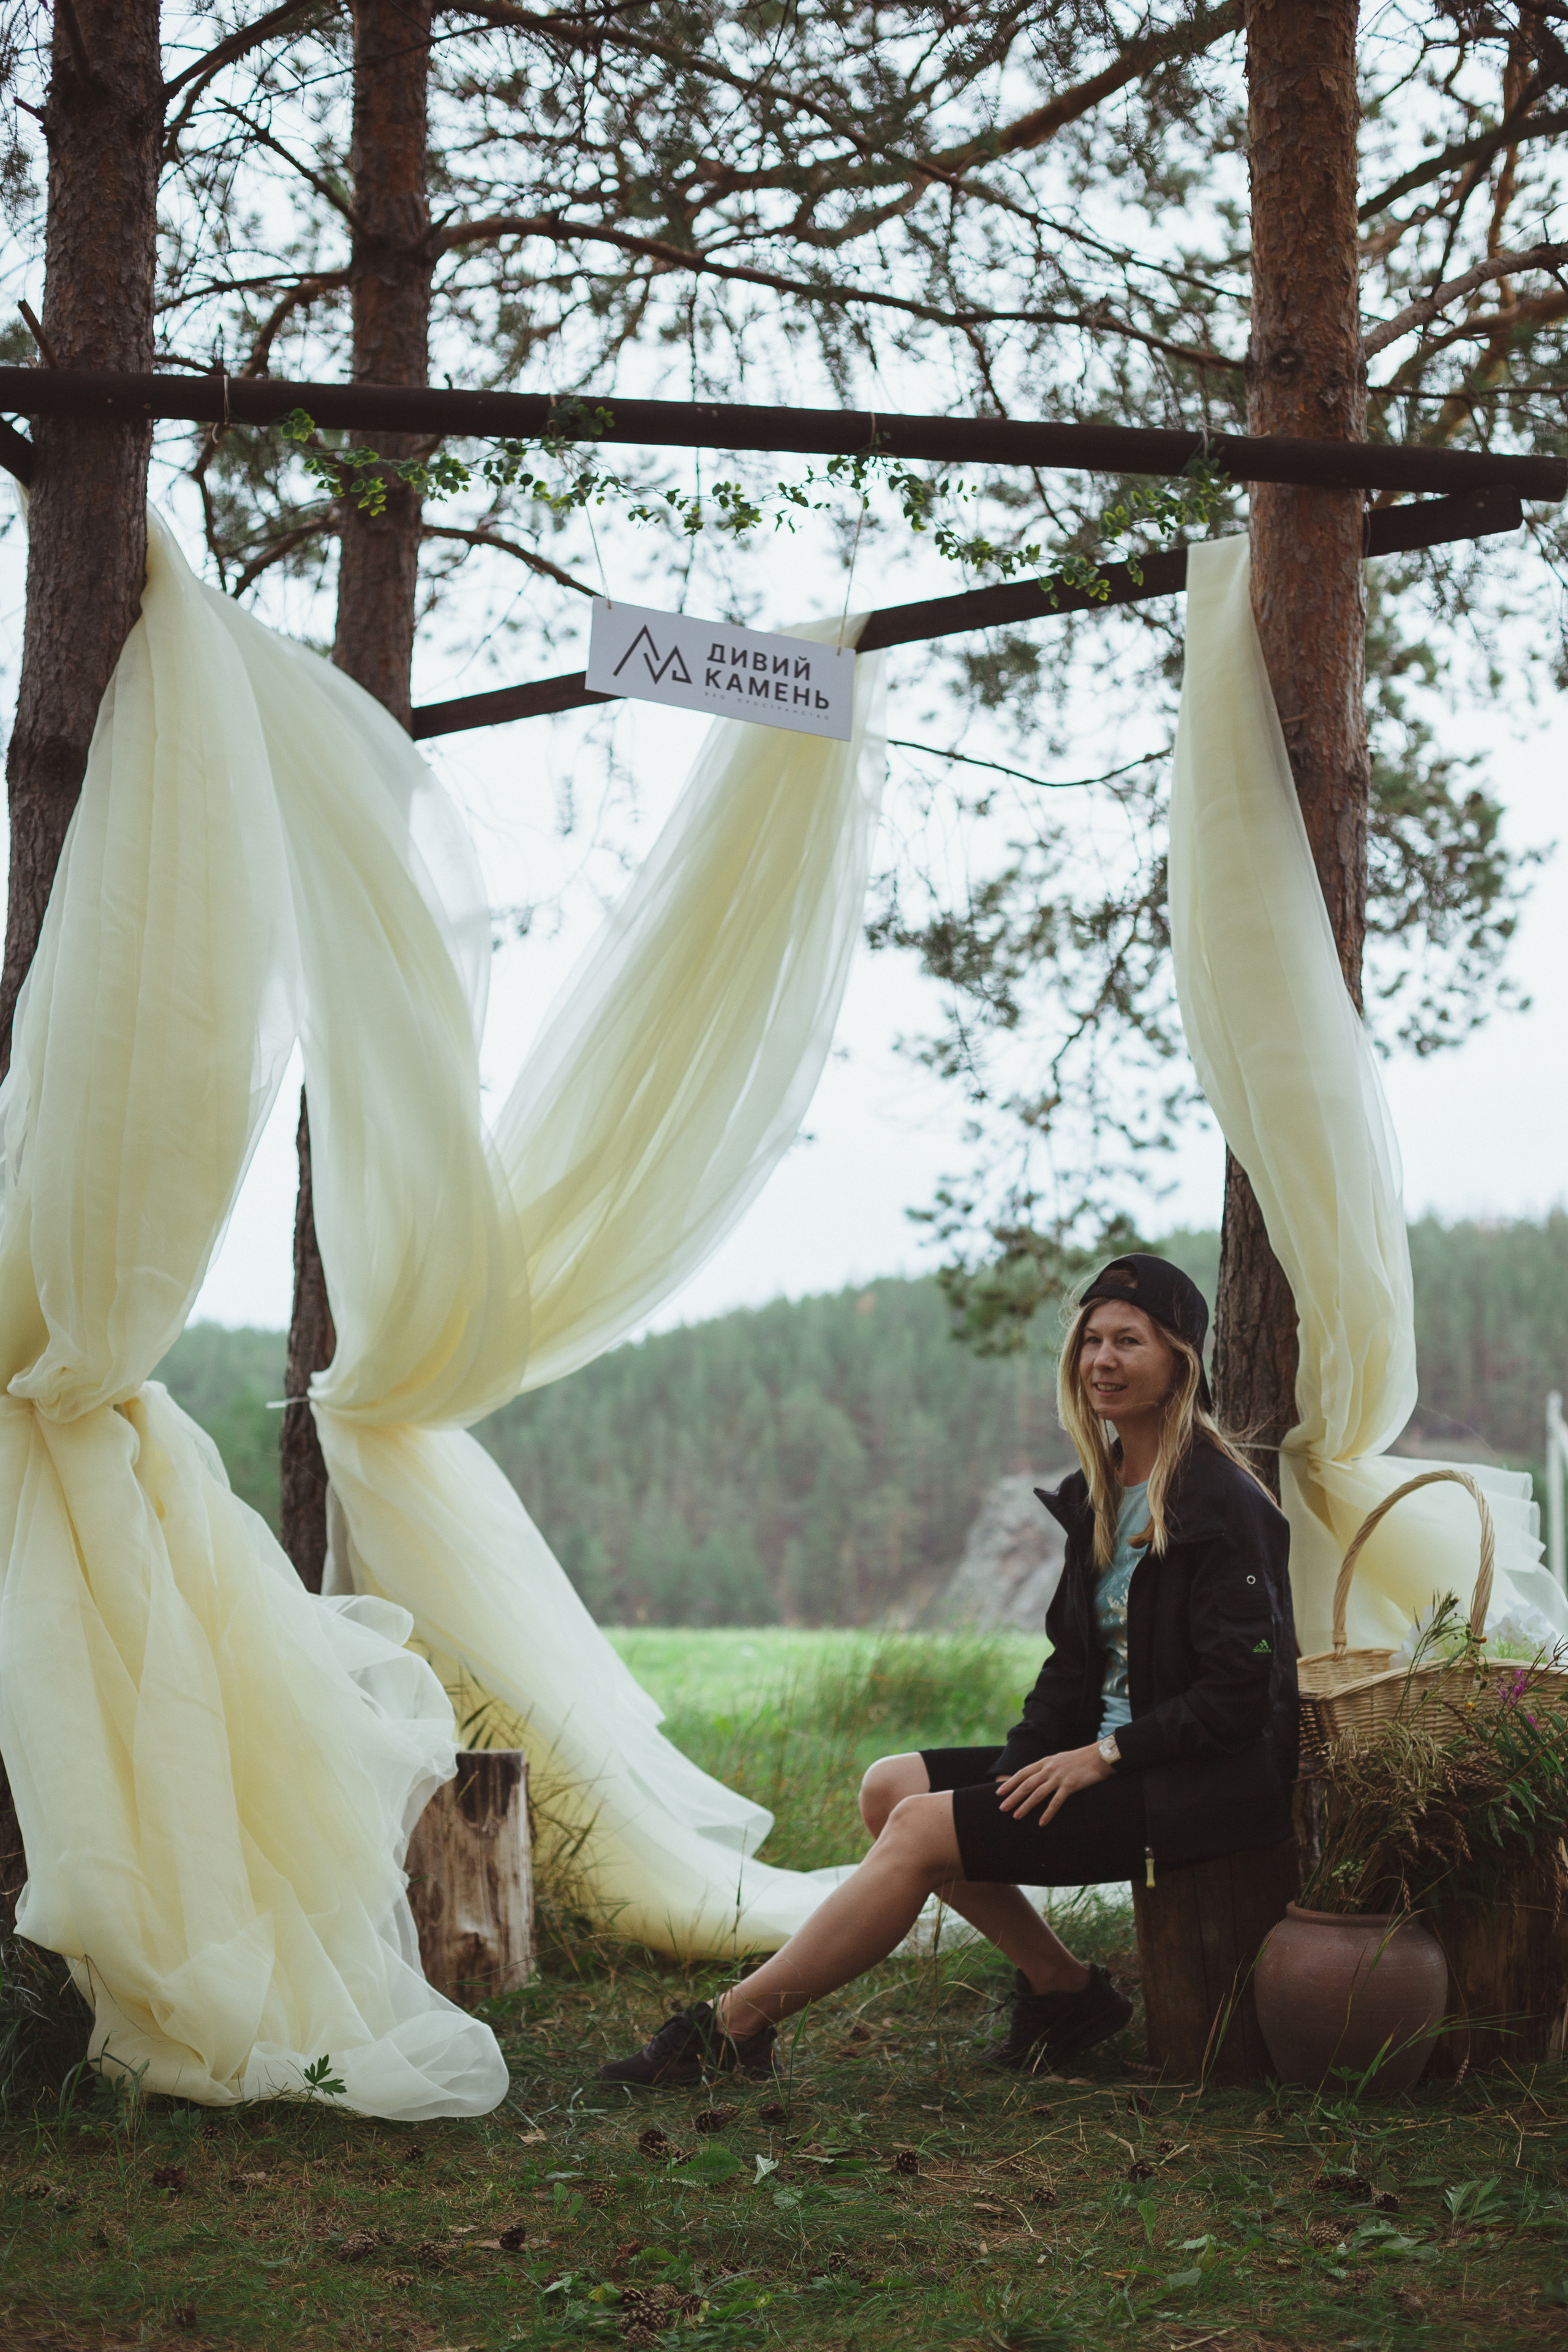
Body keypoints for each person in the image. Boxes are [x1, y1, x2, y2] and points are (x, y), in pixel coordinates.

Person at [596, 1253, 1298, 2087]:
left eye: (1129, 1342)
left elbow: (1239, 1694)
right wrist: (1007, 1782)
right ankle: (1065, 1990)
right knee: (893, 1789)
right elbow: (1073, 1671)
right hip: (1110, 1760)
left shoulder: (1223, 1503)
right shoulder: (1102, 1492)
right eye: (1091, 1340)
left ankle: (728, 2030)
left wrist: (1102, 1757)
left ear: (1179, 1362)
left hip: (1194, 1784)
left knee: (926, 1831)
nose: (1102, 1361)